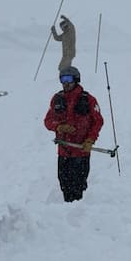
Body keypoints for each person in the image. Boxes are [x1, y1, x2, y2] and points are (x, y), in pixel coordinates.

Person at [43, 66, 104, 202]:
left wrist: (90, 140)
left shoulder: (88, 100)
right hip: (63, 153)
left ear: (76, 80)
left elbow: (98, 121)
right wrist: (59, 127)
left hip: (81, 153)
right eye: (62, 79)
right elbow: (47, 121)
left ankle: (80, 213)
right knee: (65, 185)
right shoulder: (57, 99)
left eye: (68, 79)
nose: (65, 82)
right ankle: (67, 212)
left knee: (79, 186)